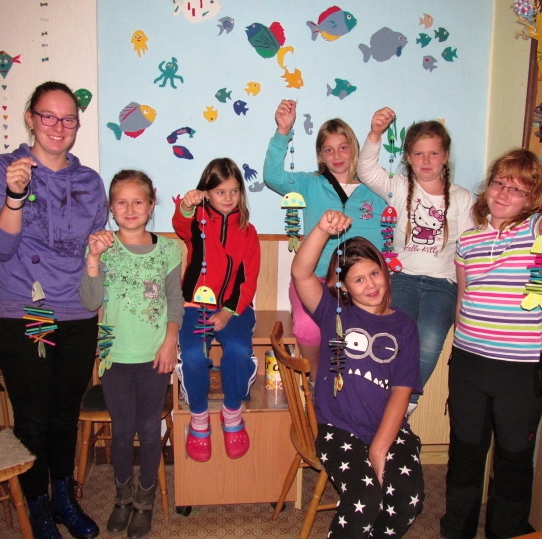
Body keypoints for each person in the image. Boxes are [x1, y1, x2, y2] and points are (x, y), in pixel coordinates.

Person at [441, 119, 542, 539]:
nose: (504, 193)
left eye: (517, 189)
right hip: (469, 364)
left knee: (513, 460)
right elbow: (464, 299)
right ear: (487, 186)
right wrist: (459, 353)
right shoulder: (468, 241)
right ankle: (456, 530)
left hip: (519, 371)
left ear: (532, 198)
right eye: (499, 183)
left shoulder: (537, 232)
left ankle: (505, 532)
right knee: (465, 455)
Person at [0, 81, 107, 539]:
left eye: (68, 118)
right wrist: (15, 195)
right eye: (48, 115)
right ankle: (36, 505)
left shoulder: (90, 182)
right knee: (32, 417)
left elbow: (92, 250)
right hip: (28, 310)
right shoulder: (2, 169)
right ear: (30, 118)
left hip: (76, 312)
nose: (58, 126)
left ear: (77, 125)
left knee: (65, 414)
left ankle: (63, 497)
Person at [291, 209, 425, 537]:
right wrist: (322, 229)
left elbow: (402, 391)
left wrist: (379, 449)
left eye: (374, 273)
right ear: (344, 286)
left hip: (388, 428)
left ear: (385, 271)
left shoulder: (405, 325)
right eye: (359, 279)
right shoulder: (333, 312)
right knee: (364, 499)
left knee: (406, 501)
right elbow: (301, 273)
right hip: (339, 430)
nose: (371, 284)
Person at [80, 170, 182, 538]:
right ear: (111, 207)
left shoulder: (169, 250)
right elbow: (90, 301)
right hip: (115, 356)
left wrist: (170, 342)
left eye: (138, 201)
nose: (130, 208)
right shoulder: (102, 247)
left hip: (155, 356)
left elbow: (175, 301)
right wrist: (93, 258)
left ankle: (144, 501)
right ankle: (122, 498)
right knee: (122, 431)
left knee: (149, 431)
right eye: (121, 202)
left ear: (151, 205)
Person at [357, 108, 475, 416]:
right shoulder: (398, 186)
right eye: (418, 154)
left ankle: (406, 405)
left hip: (443, 284)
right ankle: (381, 396)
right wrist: (375, 134)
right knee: (395, 339)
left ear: (445, 156)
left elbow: (468, 251)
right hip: (402, 278)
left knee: (430, 339)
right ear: (408, 158)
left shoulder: (461, 198)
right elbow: (366, 169)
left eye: (433, 153)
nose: (426, 160)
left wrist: (465, 299)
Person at [264, 99, 385, 378]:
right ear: (320, 154)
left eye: (343, 147)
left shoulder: (376, 188)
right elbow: (273, 177)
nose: (337, 155)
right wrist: (283, 131)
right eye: (329, 149)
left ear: (354, 148)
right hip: (314, 280)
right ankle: (315, 381)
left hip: (360, 284)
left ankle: (352, 388)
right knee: (308, 328)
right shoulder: (310, 183)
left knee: (362, 337)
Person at [172, 158, 260, 462]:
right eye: (220, 192)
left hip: (234, 308)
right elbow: (180, 225)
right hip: (194, 306)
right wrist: (186, 206)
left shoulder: (248, 231)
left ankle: (232, 410)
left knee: (238, 351)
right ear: (207, 193)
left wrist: (228, 312)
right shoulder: (198, 221)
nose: (228, 198)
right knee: (194, 355)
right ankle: (198, 416)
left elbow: (249, 279)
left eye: (234, 191)